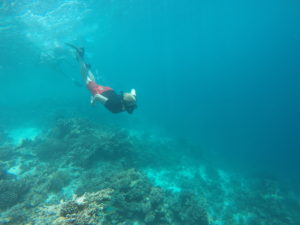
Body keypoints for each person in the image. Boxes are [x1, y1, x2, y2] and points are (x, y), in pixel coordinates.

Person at [67, 44, 137, 114]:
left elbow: (133, 90)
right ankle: (80, 57)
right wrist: (93, 103)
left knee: (94, 84)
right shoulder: (114, 107)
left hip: (109, 90)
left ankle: (88, 69)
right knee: (85, 79)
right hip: (100, 93)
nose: (131, 109)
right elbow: (97, 96)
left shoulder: (132, 100)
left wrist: (133, 96)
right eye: (130, 108)